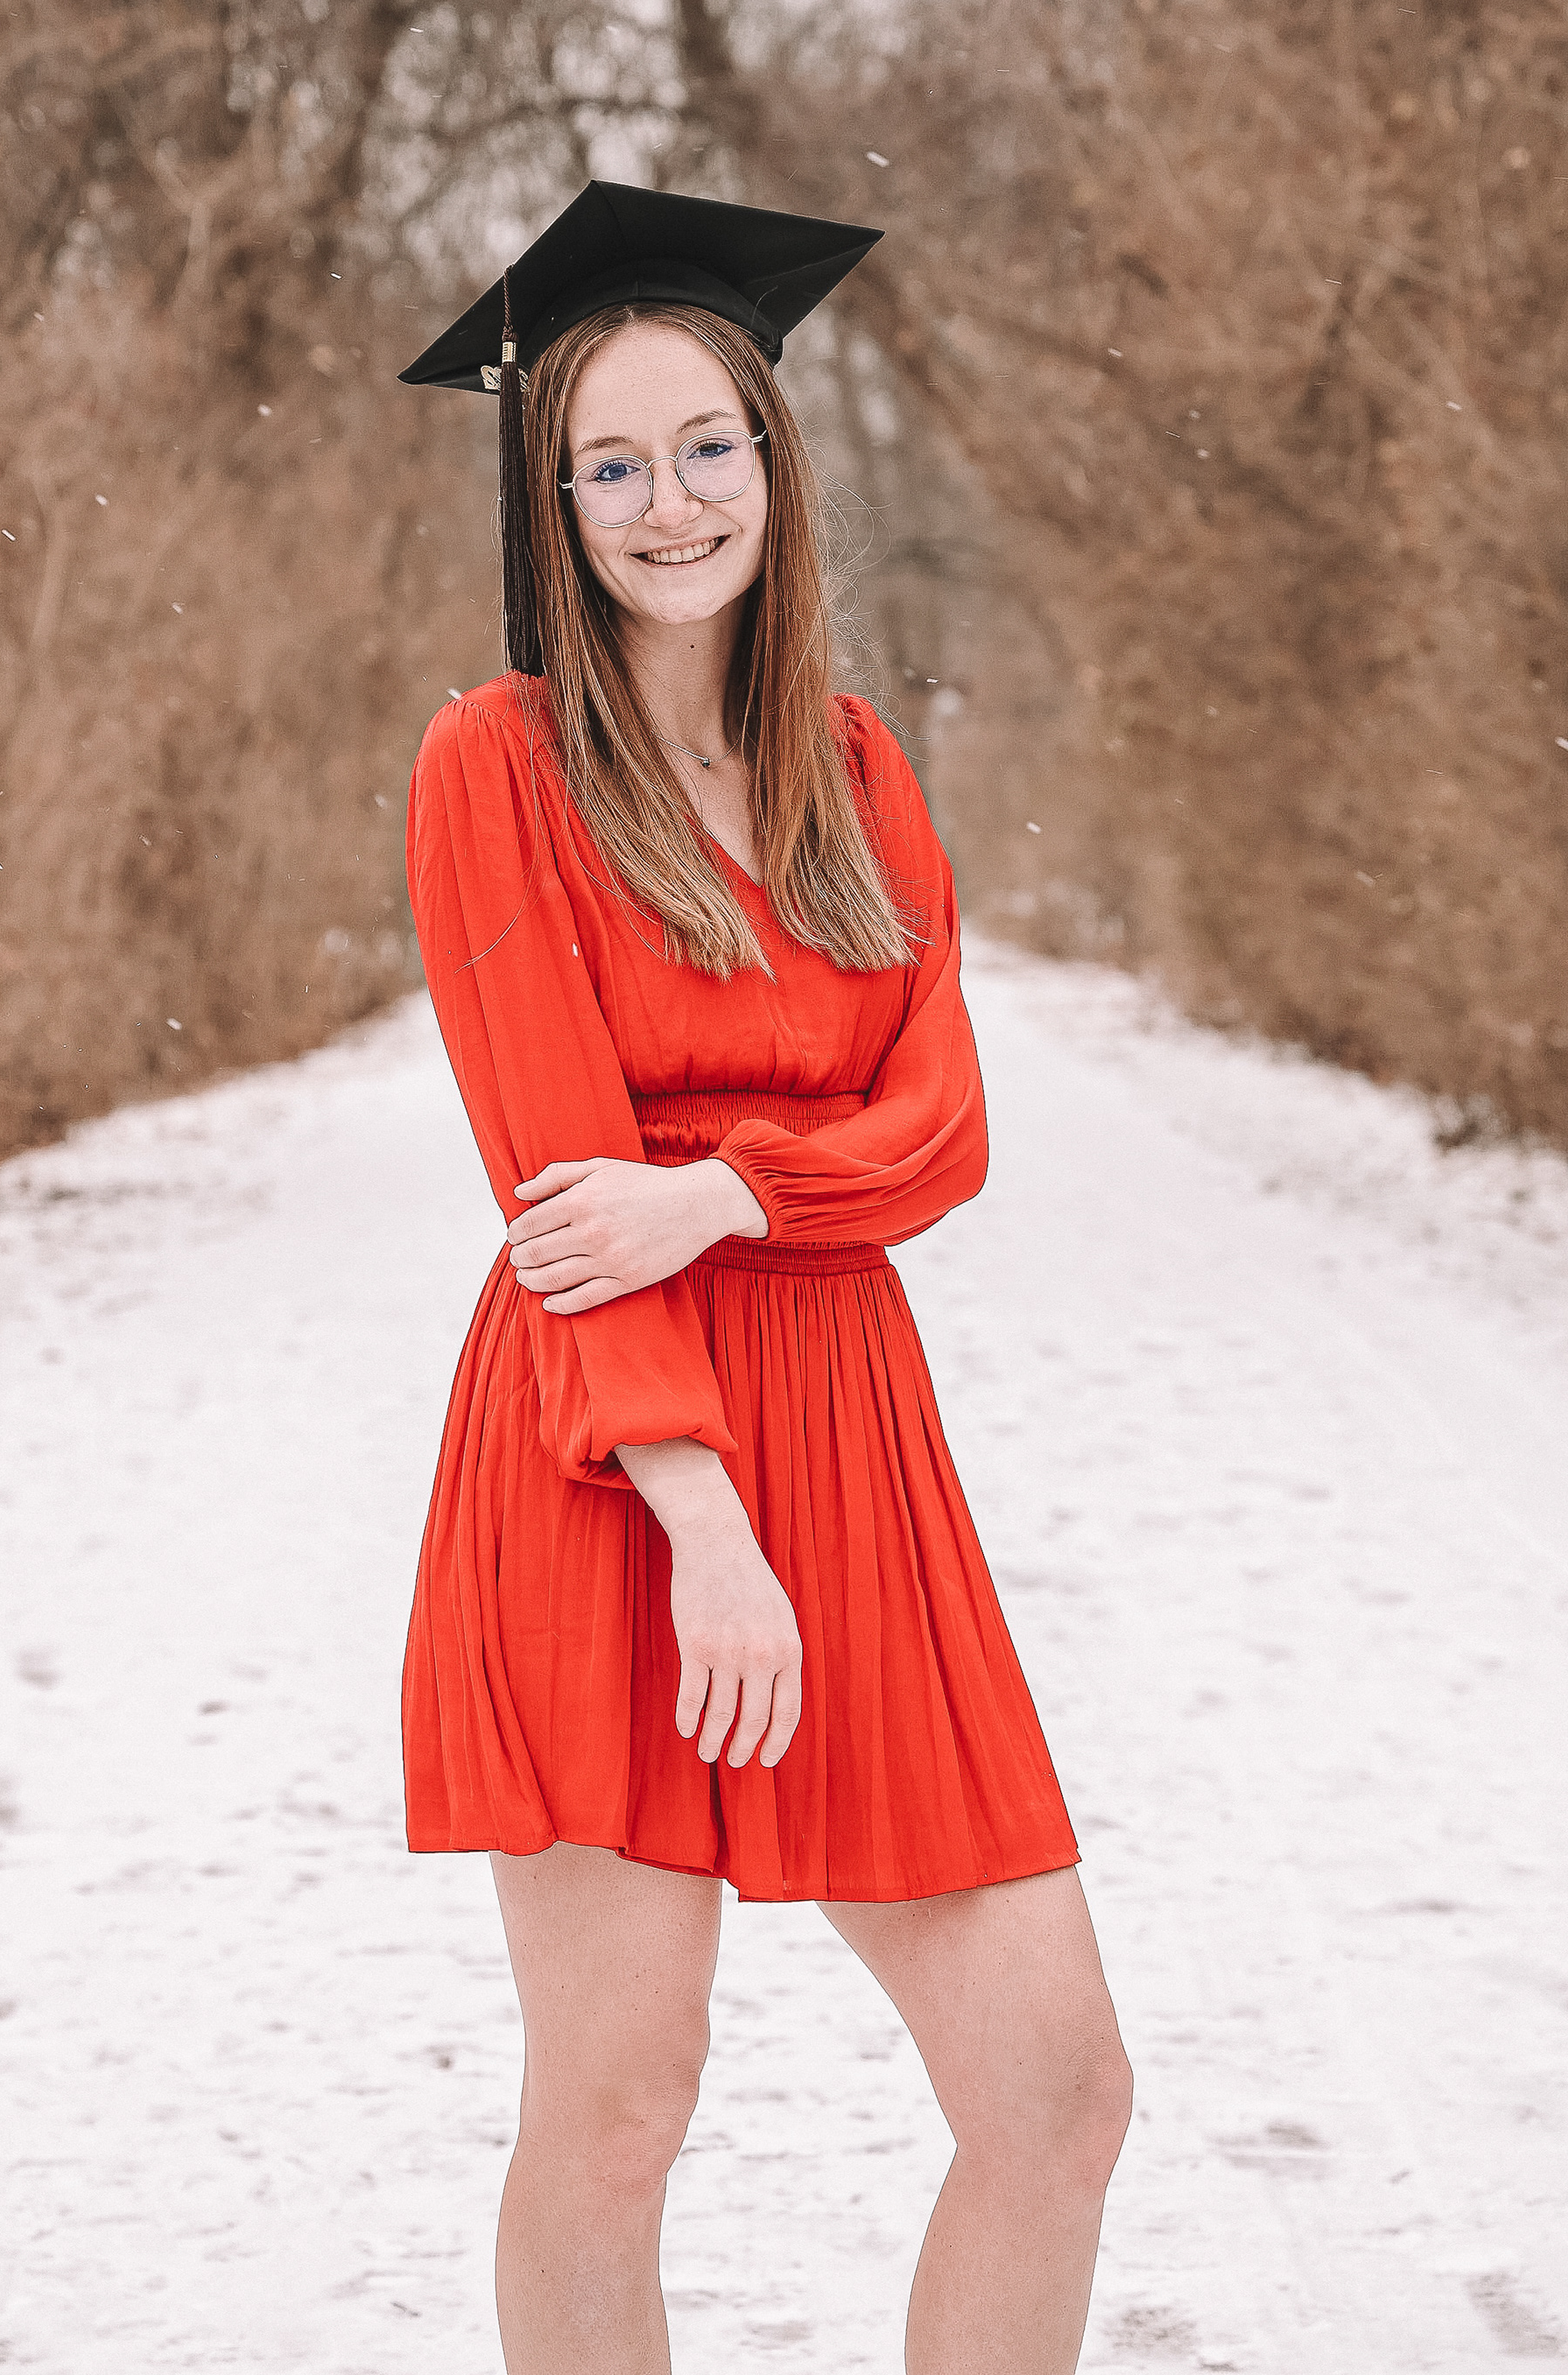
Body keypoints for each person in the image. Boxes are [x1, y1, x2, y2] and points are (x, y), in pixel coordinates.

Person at [397, 182, 1131, 2375]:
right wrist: (704, 1527)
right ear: (553, 505)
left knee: (1057, 2094)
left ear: (773, 458)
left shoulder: (857, 765)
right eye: (611, 464)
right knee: (622, 2106)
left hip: (853, 1436)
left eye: (708, 444)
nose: (671, 502)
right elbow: (563, 1188)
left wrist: (723, 1194)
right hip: (608, 1458)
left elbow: (944, 1129)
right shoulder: (497, 764)